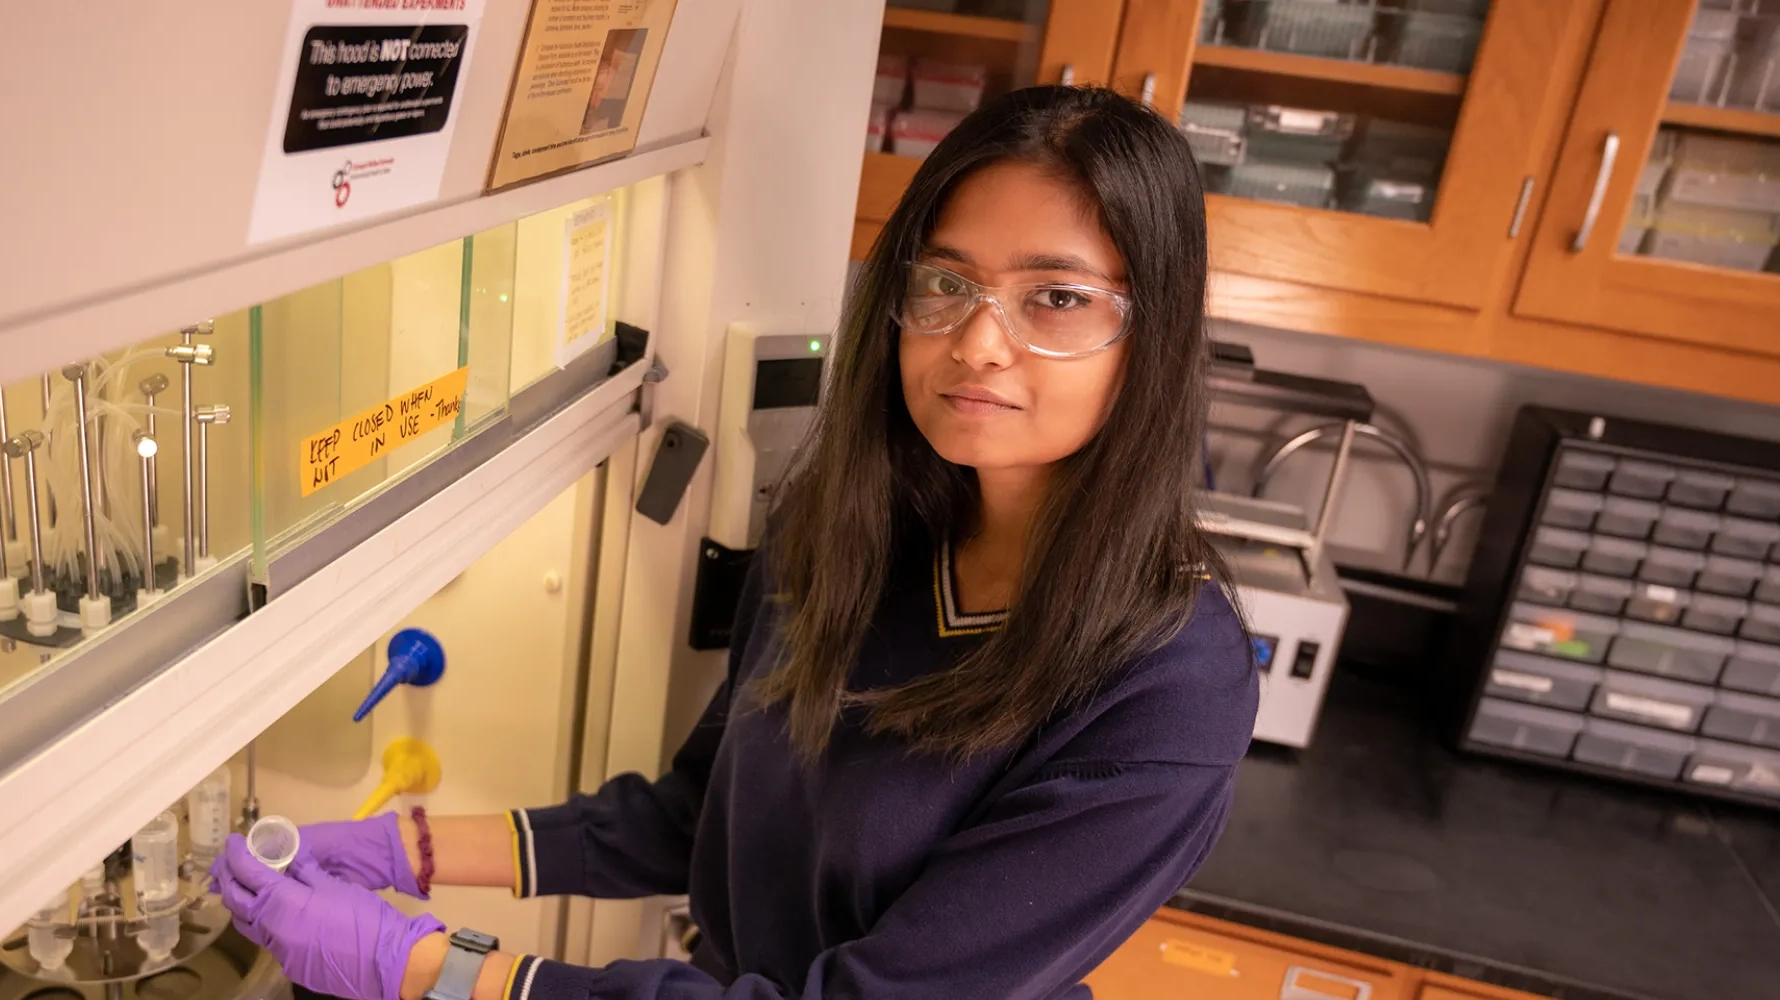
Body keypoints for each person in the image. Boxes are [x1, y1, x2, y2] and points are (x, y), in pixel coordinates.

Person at [213, 84, 1258, 1000]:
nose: (976, 339)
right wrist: (406, 848)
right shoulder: (844, 527)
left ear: (1150, 332)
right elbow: (695, 815)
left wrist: (428, 970)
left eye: (1057, 298)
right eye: (943, 283)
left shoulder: (1166, 677)